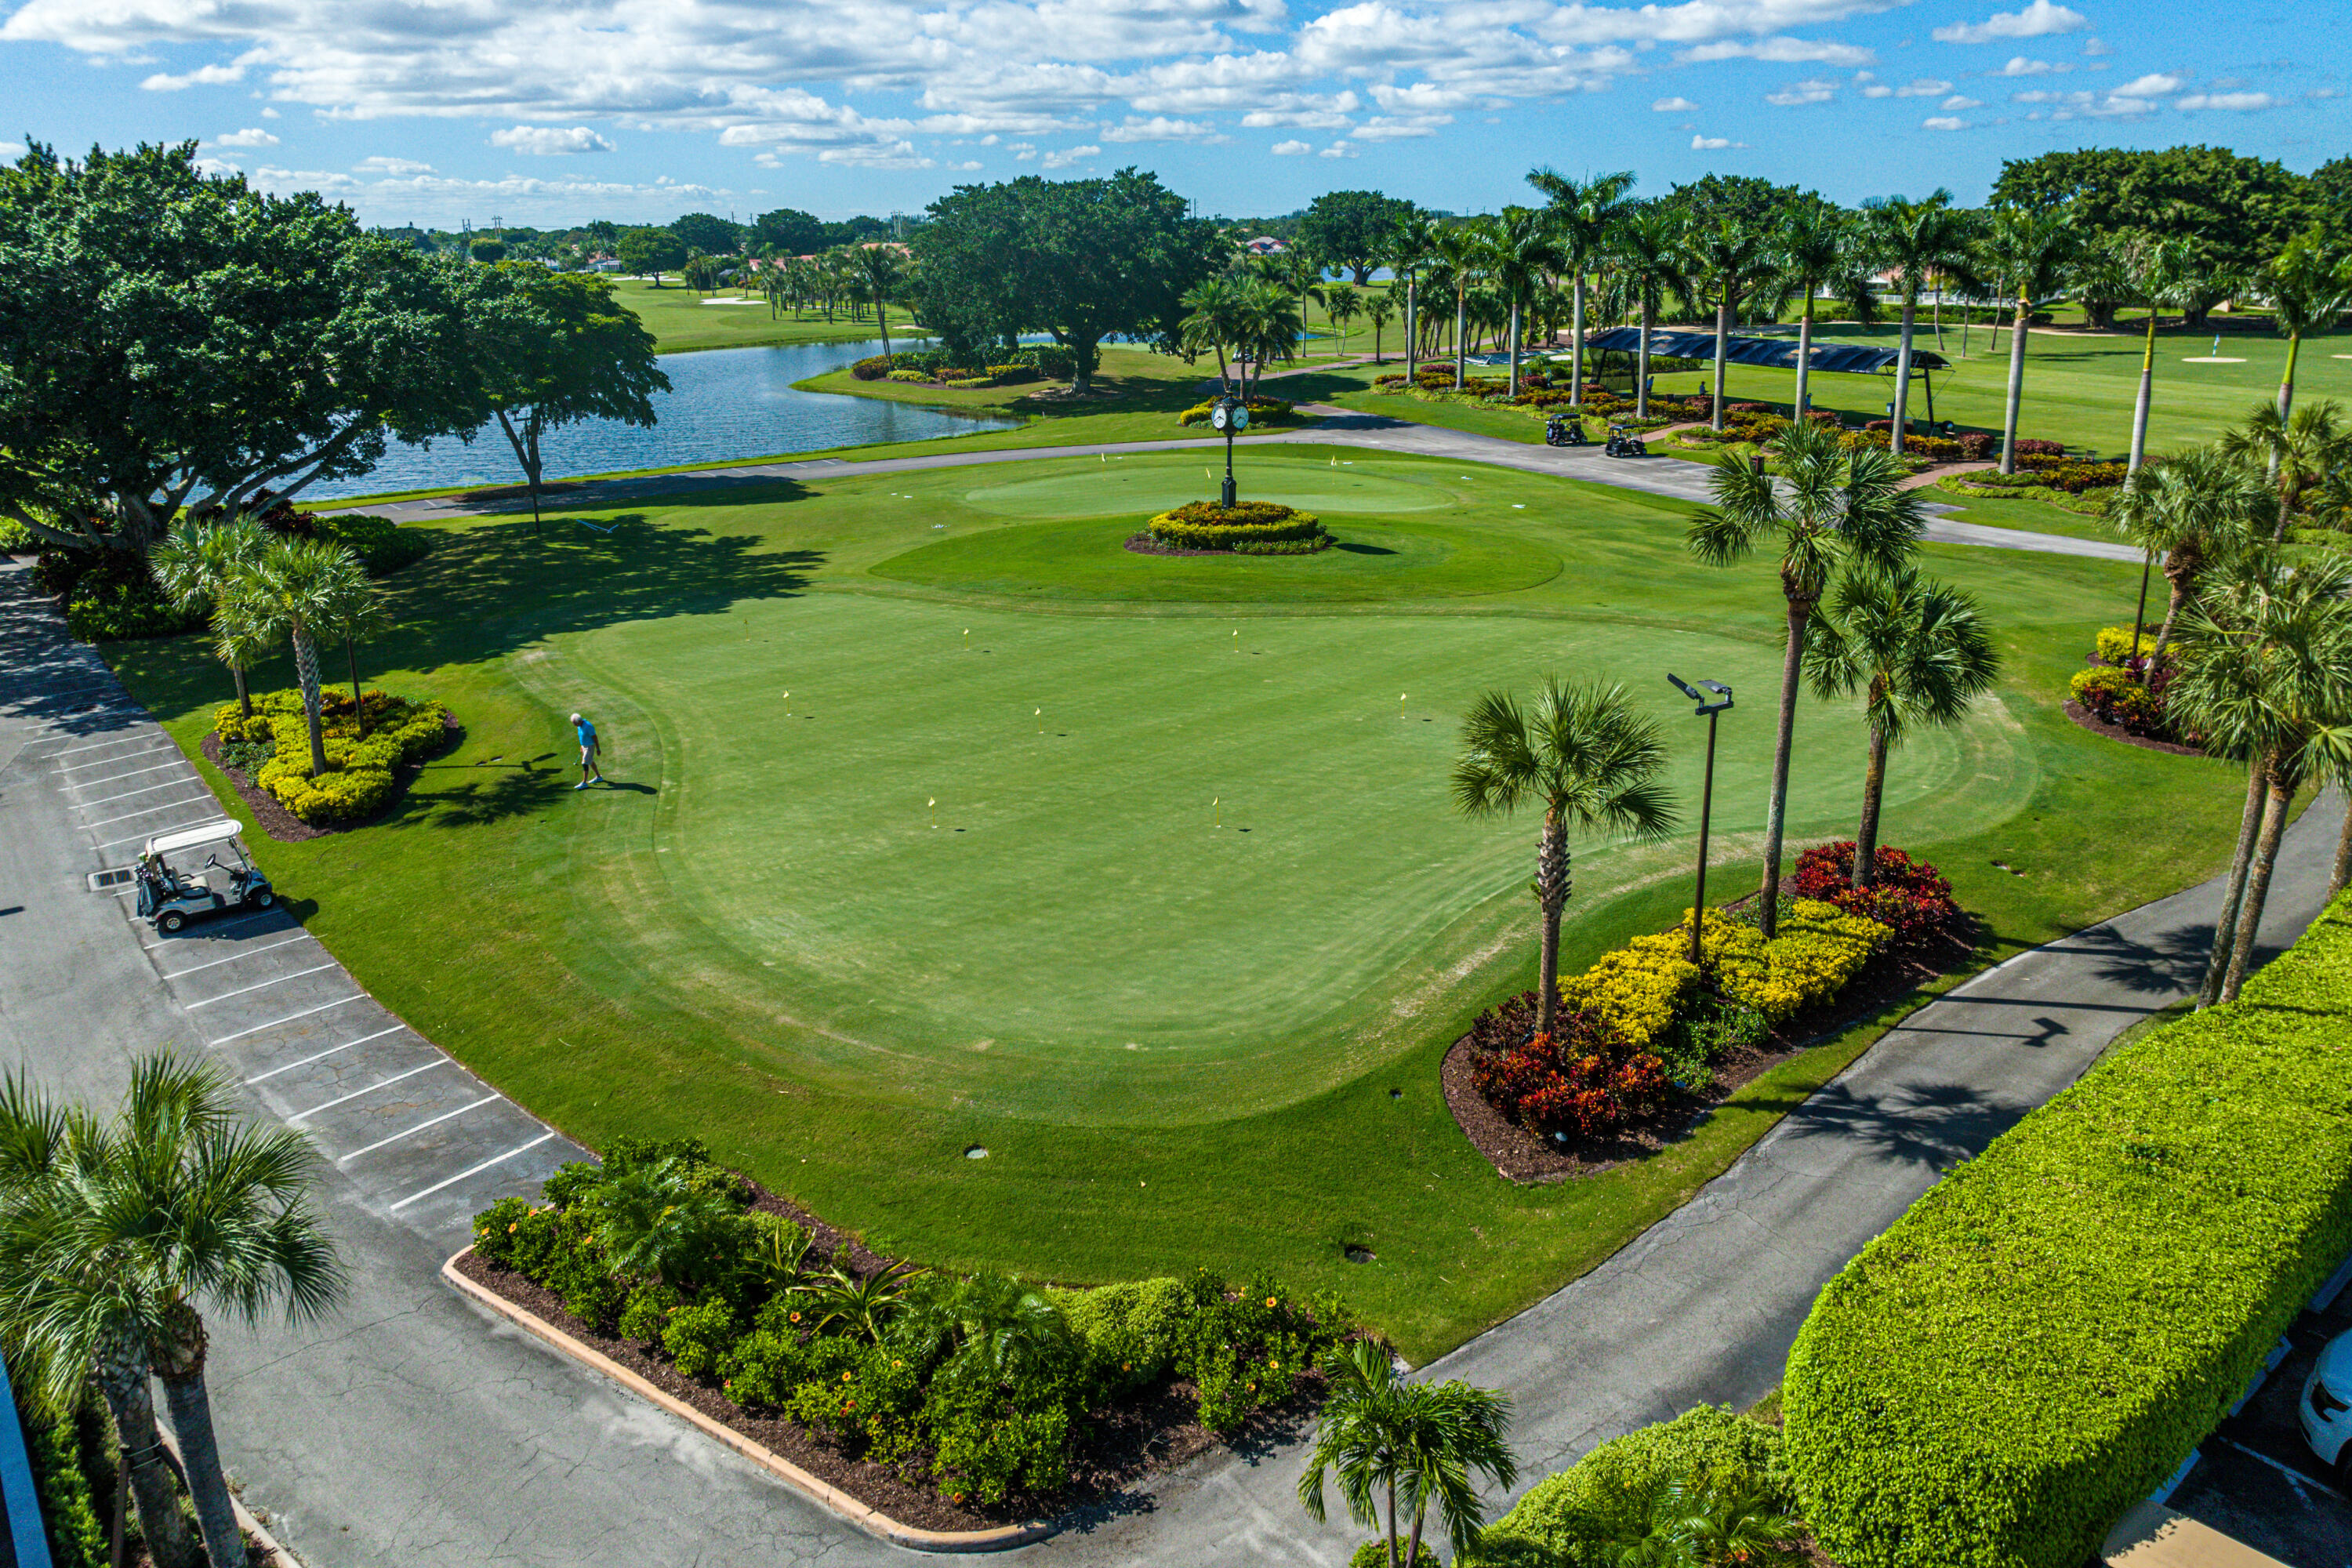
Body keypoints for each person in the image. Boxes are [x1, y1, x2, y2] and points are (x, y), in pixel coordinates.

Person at [572, 712, 604, 788]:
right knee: (590, 761)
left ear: (579, 721)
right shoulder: (579, 726)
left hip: (590, 746)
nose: (574, 725)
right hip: (584, 746)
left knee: (585, 763)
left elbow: (595, 738)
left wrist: (598, 749)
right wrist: (581, 746)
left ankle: (584, 783)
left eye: (575, 723)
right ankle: (599, 777)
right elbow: (581, 736)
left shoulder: (588, 726)